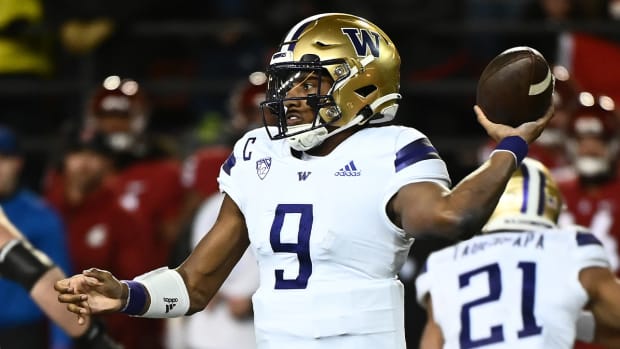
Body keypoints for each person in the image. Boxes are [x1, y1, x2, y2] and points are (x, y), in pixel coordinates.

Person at [54, 13, 553, 349]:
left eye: (308, 84)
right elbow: (195, 284)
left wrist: (511, 145)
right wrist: (126, 294)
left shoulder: (391, 147)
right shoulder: (257, 153)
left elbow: (452, 215)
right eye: (286, 84)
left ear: (360, 84)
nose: (290, 99)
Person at [415, 158, 620, 349]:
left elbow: (434, 342)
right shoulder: (571, 246)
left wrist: (567, 318)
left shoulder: (442, 263)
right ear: (550, 203)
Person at [0, 126, 121, 349]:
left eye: (2, 158)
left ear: (17, 163)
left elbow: (60, 286)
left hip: (20, 333)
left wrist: (62, 342)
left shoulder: (41, 216)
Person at [46, 130, 164, 349]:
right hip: (44, 332)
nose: (84, 163)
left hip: (100, 332)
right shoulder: (45, 209)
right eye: (77, 154)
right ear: (64, 160)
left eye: (94, 155)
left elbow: (135, 284)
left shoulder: (123, 218)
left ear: (108, 164)